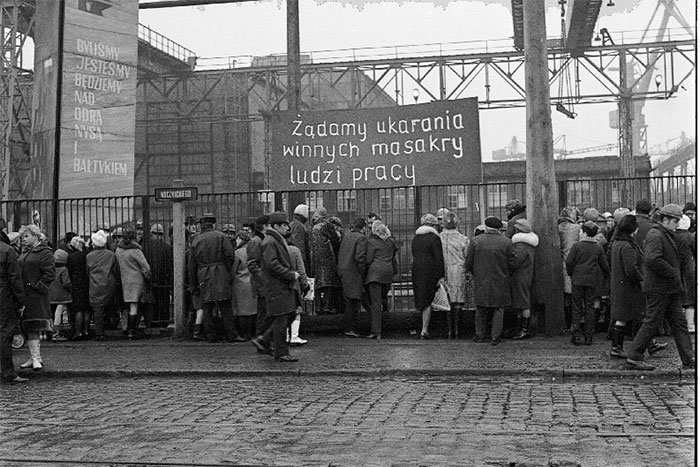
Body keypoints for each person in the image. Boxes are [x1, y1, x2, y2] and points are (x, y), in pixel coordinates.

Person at [626, 204, 695, 370]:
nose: (677, 224)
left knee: (679, 324)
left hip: (668, 288)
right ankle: (634, 356)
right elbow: (652, 259)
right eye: (675, 221)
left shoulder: (664, 234)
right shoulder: (656, 235)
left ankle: (689, 358)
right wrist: (672, 272)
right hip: (659, 288)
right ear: (665, 219)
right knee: (652, 322)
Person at [188, 213, 242, 343]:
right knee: (225, 305)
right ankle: (232, 334)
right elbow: (230, 256)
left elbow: (191, 264)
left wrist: (193, 284)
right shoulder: (221, 237)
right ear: (213, 224)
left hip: (203, 273)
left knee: (207, 305)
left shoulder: (196, 240)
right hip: (220, 272)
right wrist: (226, 270)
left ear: (202, 225)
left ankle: (211, 335)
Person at [259, 211, 302, 362]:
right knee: (281, 320)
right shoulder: (271, 241)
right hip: (277, 286)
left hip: (280, 286)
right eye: (284, 225)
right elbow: (272, 265)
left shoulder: (275, 239)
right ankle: (281, 352)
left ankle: (265, 340)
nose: (287, 228)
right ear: (276, 226)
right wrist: (290, 274)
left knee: (287, 316)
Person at [466, 215, 512, 345]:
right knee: (499, 308)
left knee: (480, 307)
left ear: (486, 227)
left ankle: (479, 335)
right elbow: (512, 263)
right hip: (501, 279)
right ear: (499, 228)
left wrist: (476, 273)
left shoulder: (475, 241)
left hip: (481, 280)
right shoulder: (506, 242)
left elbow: (468, 262)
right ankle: (495, 336)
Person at [18, 224, 55, 371]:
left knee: (34, 325)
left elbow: (50, 274)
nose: (24, 240)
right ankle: (35, 356)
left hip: (36, 295)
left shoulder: (45, 252)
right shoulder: (26, 252)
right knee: (28, 326)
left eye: (26, 236)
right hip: (25, 294)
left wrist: (38, 286)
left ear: (35, 236)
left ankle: (35, 357)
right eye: (22, 237)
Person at [565, 221, 609, 346]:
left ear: (584, 233)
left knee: (577, 307)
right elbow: (604, 266)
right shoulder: (598, 248)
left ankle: (576, 335)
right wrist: (606, 277)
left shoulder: (577, 246)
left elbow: (569, 262)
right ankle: (589, 336)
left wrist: (571, 273)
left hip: (577, 280)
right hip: (591, 280)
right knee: (590, 306)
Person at [411, 213, 444, 340]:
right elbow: (438, 258)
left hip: (417, 269)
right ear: (433, 225)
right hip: (430, 270)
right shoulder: (434, 238)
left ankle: (423, 328)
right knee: (428, 299)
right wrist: (440, 275)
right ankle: (424, 329)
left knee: (421, 297)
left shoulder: (416, 238)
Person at [115, 227, 151, 340]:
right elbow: (146, 267)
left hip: (124, 280)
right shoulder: (136, 250)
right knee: (134, 306)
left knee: (127, 305)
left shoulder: (118, 250)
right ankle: (132, 331)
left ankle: (127, 329)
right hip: (136, 281)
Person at [365, 220, 397, 340]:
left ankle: (376, 331)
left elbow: (368, 259)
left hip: (375, 274)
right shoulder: (391, 242)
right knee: (384, 300)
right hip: (388, 273)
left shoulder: (371, 242)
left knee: (375, 303)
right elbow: (394, 254)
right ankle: (387, 326)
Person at [0, 233, 26, 383]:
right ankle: (7, 372)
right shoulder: (7, 250)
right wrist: (20, 301)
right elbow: (15, 278)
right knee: (4, 333)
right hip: (3, 295)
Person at [439, 212, 469, 339]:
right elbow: (467, 257)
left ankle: (449, 330)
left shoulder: (438, 238)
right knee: (458, 301)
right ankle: (457, 331)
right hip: (458, 270)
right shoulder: (463, 239)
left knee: (446, 300)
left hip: (442, 271)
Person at [86, 230, 120, 341]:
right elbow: (115, 269)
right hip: (109, 283)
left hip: (95, 285)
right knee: (111, 305)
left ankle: (99, 333)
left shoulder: (89, 256)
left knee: (98, 310)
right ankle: (113, 324)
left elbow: (87, 271)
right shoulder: (111, 255)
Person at [337, 218, 368, 338]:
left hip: (344, 270)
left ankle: (349, 328)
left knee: (350, 301)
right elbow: (360, 257)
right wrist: (363, 271)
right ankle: (350, 329)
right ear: (363, 228)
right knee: (353, 302)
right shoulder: (361, 238)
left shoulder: (347, 236)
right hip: (354, 273)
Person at [509, 219, 539, 340]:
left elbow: (514, 262)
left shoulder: (520, 245)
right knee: (523, 302)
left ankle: (522, 330)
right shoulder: (530, 244)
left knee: (523, 303)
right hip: (526, 275)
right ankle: (523, 329)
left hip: (519, 276)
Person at [310, 207, 341, 314]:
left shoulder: (313, 227)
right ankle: (327, 305)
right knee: (329, 281)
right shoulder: (326, 225)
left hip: (316, 257)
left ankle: (318, 306)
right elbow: (336, 240)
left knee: (318, 282)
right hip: (327, 256)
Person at [144, 223, 173, 327]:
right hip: (160, 282)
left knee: (157, 304)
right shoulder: (167, 247)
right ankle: (161, 322)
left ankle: (155, 322)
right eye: (155, 233)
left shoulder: (146, 248)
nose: (157, 236)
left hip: (155, 281)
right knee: (160, 304)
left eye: (159, 234)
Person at [231, 229, 257, 340]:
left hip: (239, 283)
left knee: (241, 311)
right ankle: (251, 333)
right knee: (252, 310)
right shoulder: (254, 250)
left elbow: (233, 269)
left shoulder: (237, 253)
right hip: (252, 282)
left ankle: (243, 334)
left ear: (241, 239)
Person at [558, 205, 581, 333]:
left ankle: (567, 323)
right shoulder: (576, 228)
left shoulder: (558, 228)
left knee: (565, 296)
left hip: (560, 264)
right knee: (573, 296)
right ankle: (573, 324)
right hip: (573, 265)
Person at [287, 237, 310, 345]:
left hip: (279, 284)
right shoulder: (295, 250)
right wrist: (305, 284)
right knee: (296, 309)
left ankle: (286, 336)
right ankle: (294, 336)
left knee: (284, 311)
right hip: (294, 284)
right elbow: (301, 270)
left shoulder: (275, 249)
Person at [675, 215, 696, 333]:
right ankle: (690, 324)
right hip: (688, 268)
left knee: (677, 298)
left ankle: (678, 324)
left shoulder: (671, 236)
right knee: (689, 298)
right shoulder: (690, 237)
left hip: (675, 267)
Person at [48, 249, 72, 342]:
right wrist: (71, 288)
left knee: (50, 313)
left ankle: (48, 331)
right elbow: (66, 282)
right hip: (62, 294)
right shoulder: (64, 269)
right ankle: (56, 333)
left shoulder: (51, 268)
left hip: (51, 293)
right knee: (58, 314)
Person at [290, 204, 311, 270]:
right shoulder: (300, 226)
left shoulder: (292, 224)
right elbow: (299, 244)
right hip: (300, 259)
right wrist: (303, 261)